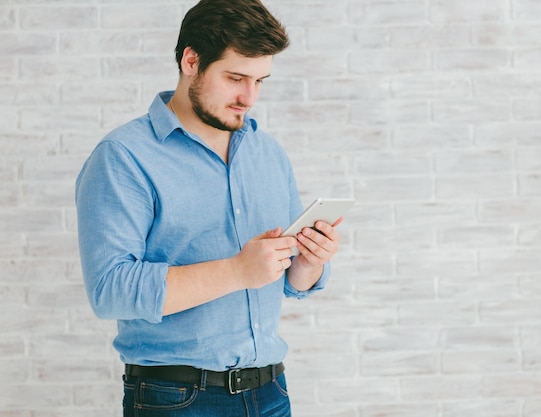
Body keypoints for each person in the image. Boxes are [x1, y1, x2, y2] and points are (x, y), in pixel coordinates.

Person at [75, 1, 343, 415]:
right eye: (235, 78)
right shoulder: (123, 156)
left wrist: (309, 264)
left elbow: (290, 281)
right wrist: (237, 271)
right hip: (178, 400)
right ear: (191, 60)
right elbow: (110, 290)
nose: (248, 97)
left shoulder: (267, 153)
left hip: (271, 392)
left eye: (260, 80)